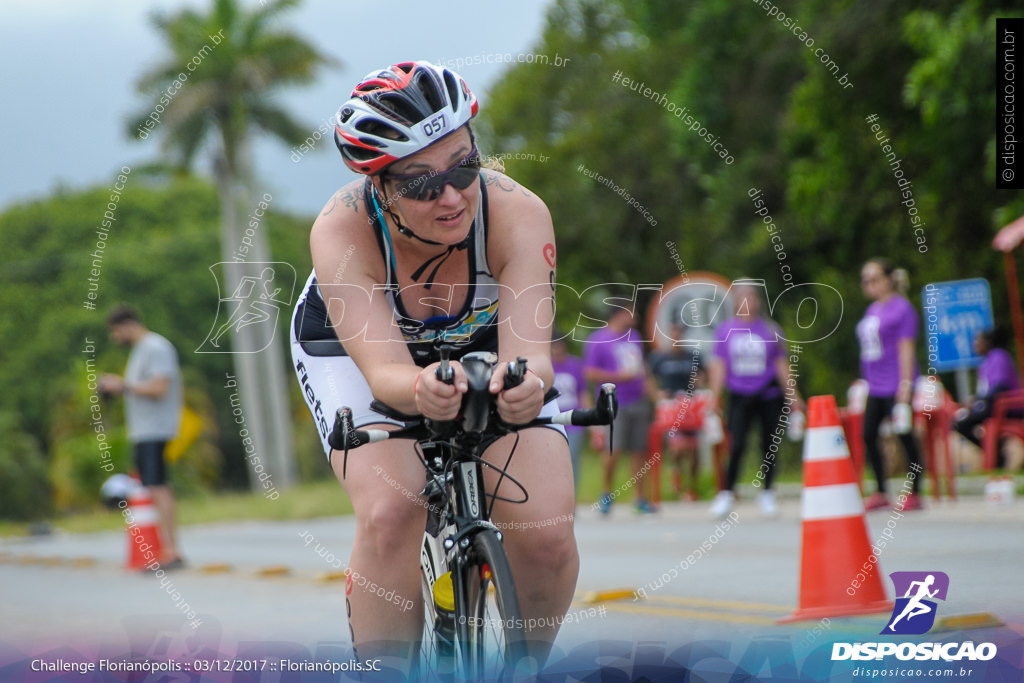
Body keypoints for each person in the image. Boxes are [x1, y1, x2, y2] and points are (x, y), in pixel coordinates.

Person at [289, 61, 574, 670]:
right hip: (360, 352)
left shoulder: (516, 211)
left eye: (464, 168)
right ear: (380, 186)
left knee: (546, 535)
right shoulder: (342, 229)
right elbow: (388, 377)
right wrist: (422, 389)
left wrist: (526, 387)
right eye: (420, 184)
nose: (451, 196)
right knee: (393, 510)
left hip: (484, 340)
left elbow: (533, 358)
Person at [99, 304, 185, 568]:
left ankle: (172, 551)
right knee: (152, 485)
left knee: (158, 485)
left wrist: (121, 385)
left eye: (115, 332)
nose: (115, 338)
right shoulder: (140, 350)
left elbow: (160, 387)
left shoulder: (155, 347)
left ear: (127, 325)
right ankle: (165, 549)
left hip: (155, 428)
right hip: (144, 430)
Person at [708, 282, 802, 519]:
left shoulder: (770, 330)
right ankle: (727, 492)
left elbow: (781, 365)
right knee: (736, 444)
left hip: (767, 394)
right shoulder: (726, 331)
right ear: (737, 303)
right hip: (739, 395)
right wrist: (714, 396)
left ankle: (768, 492)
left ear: (758, 302)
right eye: (743, 299)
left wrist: (793, 396)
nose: (748, 303)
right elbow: (719, 366)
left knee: (769, 445)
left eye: (752, 298)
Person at [856, 258, 924, 510]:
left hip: (896, 383)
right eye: (865, 280)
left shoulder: (902, 309)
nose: (868, 285)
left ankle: (916, 490)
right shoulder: (872, 310)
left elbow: (906, 347)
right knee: (868, 434)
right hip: (875, 384)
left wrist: (906, 384)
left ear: (888, 280)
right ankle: (881, 490)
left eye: (873, 279)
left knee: (904, 435)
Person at [584, 305, 655, 514]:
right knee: (613, 449)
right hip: (614, 401)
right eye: (631, 312)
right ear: (619, 314)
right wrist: (619, 377)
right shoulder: (598, 340)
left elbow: (643, 369)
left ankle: (640, 498)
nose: (636, 316)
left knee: (639, 451)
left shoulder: (635, 337)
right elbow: (589, 372)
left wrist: (654, 394)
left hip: (638, 401)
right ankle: (606, 493)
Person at [647, 323, 705, 499]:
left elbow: (703, 375)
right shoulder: (660, 357)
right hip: (670, 410)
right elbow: (647, 376)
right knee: (677, 447)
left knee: (694, 449)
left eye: (680, 332)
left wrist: (700, 382)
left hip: (690, 409)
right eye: (674, 332)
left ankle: (691, 486)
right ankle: (677, 476)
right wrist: (656, 394)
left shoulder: (693, 356)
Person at [953, 328, 1022, 465]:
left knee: (962, 424)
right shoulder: (986, 362)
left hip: (1008, 406)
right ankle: (996, 453)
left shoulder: (998, 356)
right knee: (961, 421)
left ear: (988, 342)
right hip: (993, 404)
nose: (975, 343)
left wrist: (978, 401)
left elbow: (999, 387)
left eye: (978, 340)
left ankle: (997, 457)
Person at [551, 330, 589, 490]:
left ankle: (572, 492)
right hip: (553, 419)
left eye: (560, 346)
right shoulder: (546, 366)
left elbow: (583, 392)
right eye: (554, 347)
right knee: (553, 458)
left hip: (573, 418)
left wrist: (588, 415)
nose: (557, 350)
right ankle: (555, 491)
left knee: (572, 456)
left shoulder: (575, 365)